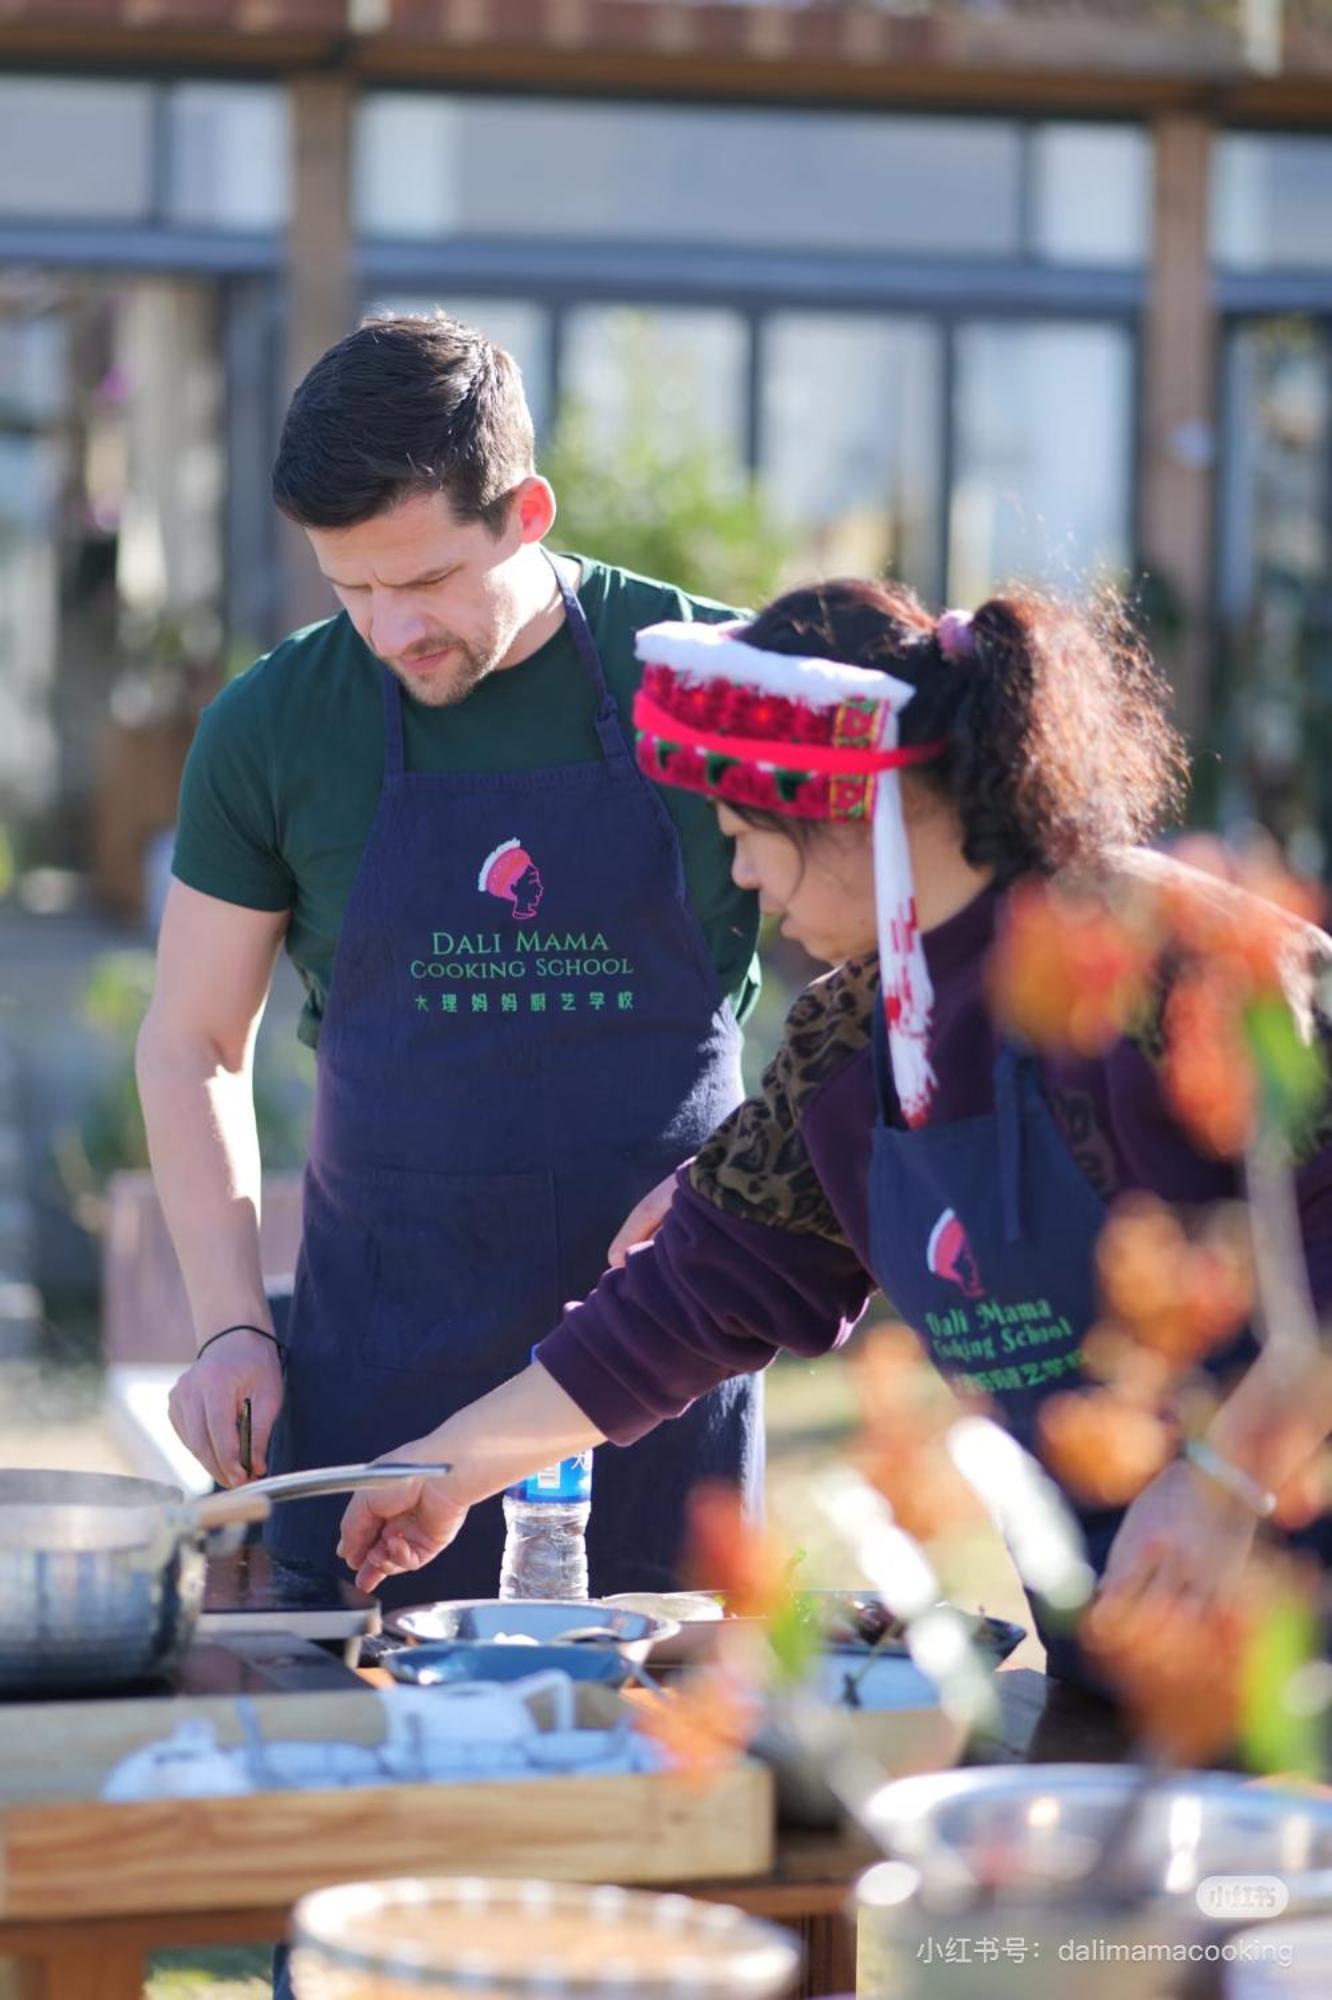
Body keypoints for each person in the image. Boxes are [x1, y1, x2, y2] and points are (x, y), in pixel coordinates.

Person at [335, 576, 1332, 1683]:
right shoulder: (854, 1038)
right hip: (1148, 1672)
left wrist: (1224, 1481)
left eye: (750, 835)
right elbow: (692, 1294)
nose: (747, 881)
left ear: (857, 798)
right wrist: (447, 1468)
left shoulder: (1170, 961)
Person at [137, 312, 763, 1605]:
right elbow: (192, 1040)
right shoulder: (273, 728)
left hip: (665, 1381)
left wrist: (758, 1178)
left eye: (424, 584)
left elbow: (895, 974)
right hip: (379, 1380)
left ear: (527, 511)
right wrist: (229, 1327)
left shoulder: (719, 684)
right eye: (350, 588)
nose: (388, 629)